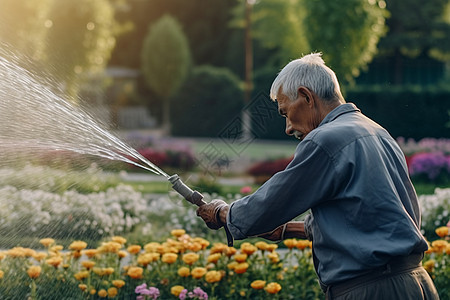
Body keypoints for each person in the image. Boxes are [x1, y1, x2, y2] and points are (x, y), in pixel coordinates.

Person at [196, 53, 440, 300]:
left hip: (371, 289)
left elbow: (270, 203)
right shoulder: (378, 132)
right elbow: (367, 215)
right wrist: (287, 230)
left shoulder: (326, 139)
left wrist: (222, 213)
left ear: (306, 97)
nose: (288, 128)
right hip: (417, 284)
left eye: (285, 112)